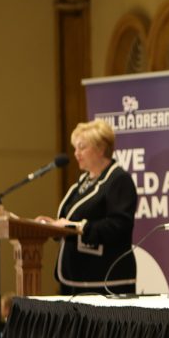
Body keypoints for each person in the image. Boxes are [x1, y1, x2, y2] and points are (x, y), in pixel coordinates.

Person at [36, 119, 138, 295]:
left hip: (105, 279)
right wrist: (54, 226)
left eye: (82, 147)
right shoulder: (83, 181)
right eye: (75, 148)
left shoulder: (119, 180)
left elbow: (119, 225)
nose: (76, 154)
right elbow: (71, 221)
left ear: (100, 148)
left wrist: (76, 227)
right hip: (77, 276)